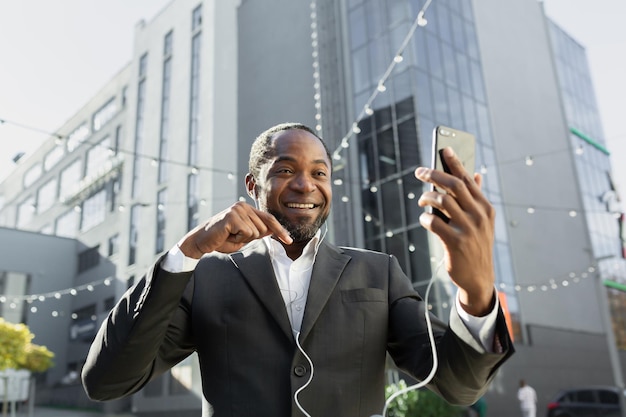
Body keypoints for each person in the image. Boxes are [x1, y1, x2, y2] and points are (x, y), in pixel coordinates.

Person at [82, 122, 514, 416]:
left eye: (319, 172)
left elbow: (458, 386)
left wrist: (476, 293)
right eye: (285, 169)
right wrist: (187, 252)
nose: (306, 184)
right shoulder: (205, 278)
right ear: (254, 186)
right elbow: (106, 381)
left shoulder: (378, 272)